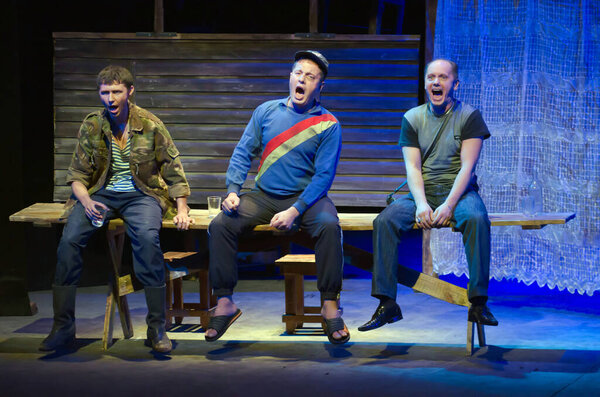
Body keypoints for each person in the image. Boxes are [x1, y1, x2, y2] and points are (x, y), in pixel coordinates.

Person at [40, 65, 192, 353]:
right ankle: (62, 328)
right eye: (105, 92)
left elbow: (173, 170)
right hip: (101, 194)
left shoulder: (150, 124)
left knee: (147, 242)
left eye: (116, 92)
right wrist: (86, 202)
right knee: (69, 242)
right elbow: (77, 175)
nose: (110, 98)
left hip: (142, 194)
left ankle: (157, 327)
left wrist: (182, 208)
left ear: (130, 92)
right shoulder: (93, 124)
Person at [207, 50, 349, 344]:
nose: (302, 80)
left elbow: (323, 177)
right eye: (298, 73)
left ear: (320, 87)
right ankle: (224, 302)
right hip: (264, 196)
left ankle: (329, 304)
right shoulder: (266, 111)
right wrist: (233, 190)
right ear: (290, 77)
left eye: (311, 77)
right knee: (221, 224)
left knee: (329, 226)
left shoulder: (328, 124)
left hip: (306, 199)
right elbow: (242, 152)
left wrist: (295, 211)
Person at [358, 59, 498, 332]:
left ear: (454, 84)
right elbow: (412, 167)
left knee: (477, 219)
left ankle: (479, 302)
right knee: (384, 222)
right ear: (425, 83)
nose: (436, 82)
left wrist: (448, 205)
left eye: (443, 78)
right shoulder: (412, 118)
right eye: (431, 77)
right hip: (423, 190)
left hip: (458, 190)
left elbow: (467, 168)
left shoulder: (469, 116)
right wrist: (421, 203)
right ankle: (387, 303)